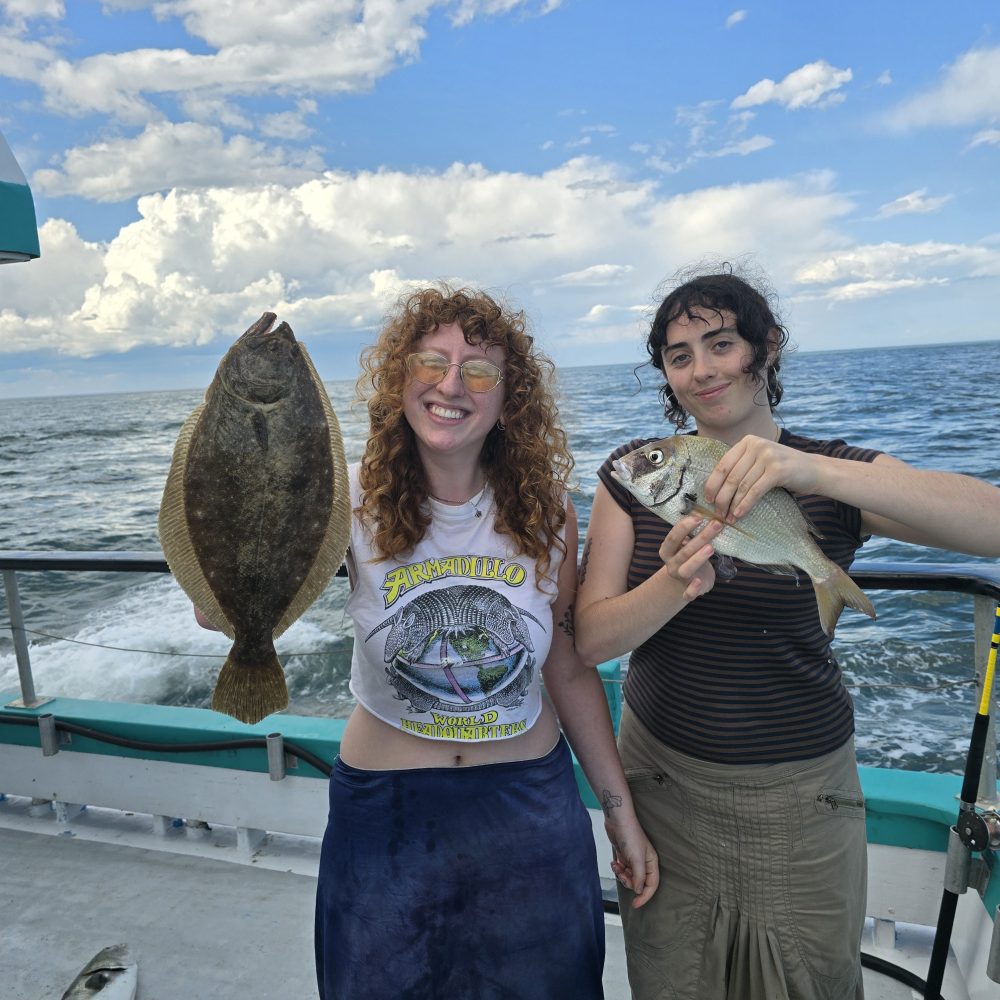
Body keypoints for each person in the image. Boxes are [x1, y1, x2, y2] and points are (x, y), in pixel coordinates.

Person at [574, 265, 1000, 1000]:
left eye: (721, 343)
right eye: (680, 355)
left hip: (802, 796)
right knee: (675, 980)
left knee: (809, 982)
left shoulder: (828, 471)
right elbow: (589, 642)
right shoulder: (636, 474)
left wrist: (809, 470)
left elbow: (990, 525)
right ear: (666, 376)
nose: (702, 369)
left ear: (766, 347)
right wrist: (674, 582)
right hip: (661, 785)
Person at [313, 286, 658, 1000]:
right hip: (386, 812)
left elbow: (566, 668)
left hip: (525, 811)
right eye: (431, 362)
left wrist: (620, 815)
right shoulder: (341, 502)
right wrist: (223, 602)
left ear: (510, 399)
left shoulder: (548, 513)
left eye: (478, 370)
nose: (450, 385)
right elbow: (251, 602)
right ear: (398, 379)